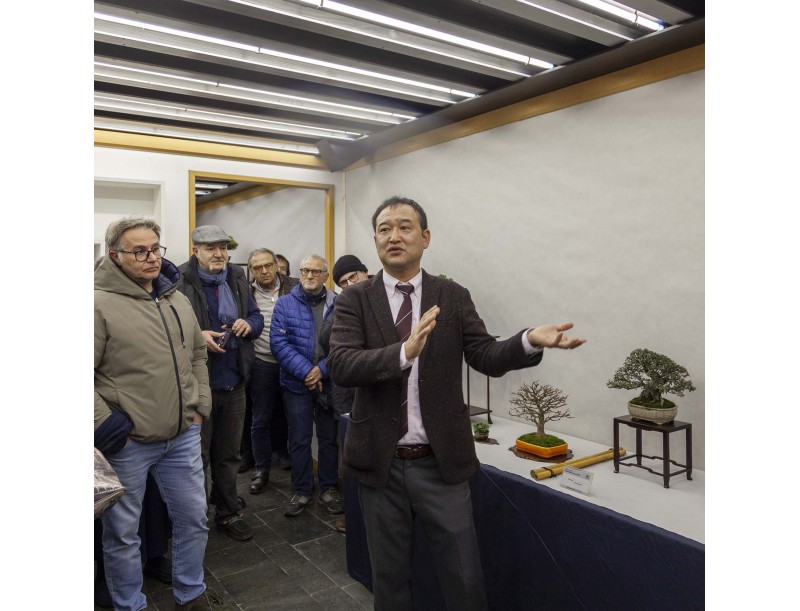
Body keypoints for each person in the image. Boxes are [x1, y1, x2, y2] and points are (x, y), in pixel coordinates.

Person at [327, 196, 586, 610]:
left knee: (464, 579)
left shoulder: (451, 294)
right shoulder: (355, 298)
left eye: (405, 227)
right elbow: (341, 364)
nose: (394, 236)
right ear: (376, 240)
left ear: (425, 237)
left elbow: (484, 355)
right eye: (384, 229)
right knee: (389, 583)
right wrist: (403, 352)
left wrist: (527, 340)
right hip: (381, 463)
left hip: (440, 462)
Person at [95, 216, 229, 610]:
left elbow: (197, 354)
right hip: (128, 444)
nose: (151, 257)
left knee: (193, 520)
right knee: (122, 535)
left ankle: (190, 592)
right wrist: (108, 424)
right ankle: (128, 603)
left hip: (182, 435)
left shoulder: (175, 296)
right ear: (116, 256)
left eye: (156, 248)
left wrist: (199, 406)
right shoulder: (96, 302)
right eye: (140, 251)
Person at [177, 225, 264, 542]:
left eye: (223, 248)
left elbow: (257, 319)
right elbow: (167, 330)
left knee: (228, 457)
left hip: (234, 382)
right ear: (196, 250)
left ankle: (227, 513)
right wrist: (197, 337)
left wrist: (248, 323)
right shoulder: (179, 282)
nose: (219, 254)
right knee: (196, 460)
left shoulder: (237, 279)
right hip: (197, 389)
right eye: (211, 248)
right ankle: (195, 521)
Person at [270, 255, 343, 517]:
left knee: (328, 440)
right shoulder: (284, 304)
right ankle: (301, 490)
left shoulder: (339, 303)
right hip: (296, 384)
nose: (309, 276)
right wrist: (307, 372)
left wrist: (321, 370)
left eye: (316, 271)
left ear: (325, 275)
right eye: (305, 271)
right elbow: (279, 345)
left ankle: (328, 489)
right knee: (299, 439)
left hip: (328, 384)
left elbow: (343, 345)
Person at [319, 254, 372, 534]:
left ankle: (375, 518)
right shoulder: (343, 303)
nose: (350, 284)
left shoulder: (386, 298)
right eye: (343, 282)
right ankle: (354, 516)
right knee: (350, 458)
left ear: (367, 273)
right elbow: (326, 338)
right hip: (347, 396)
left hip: (379, 393)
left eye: (354, 277)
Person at [246, 248, 299, 494]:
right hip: (262, 362)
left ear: (277, 265)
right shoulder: (244, 292)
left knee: (295, 417)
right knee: (260, 419)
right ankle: (262, 470)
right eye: (258, 267)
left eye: (268, 265)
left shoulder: (296, 287)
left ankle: (298, 470)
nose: (264, 271)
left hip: (294, 363)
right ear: (251, 270)